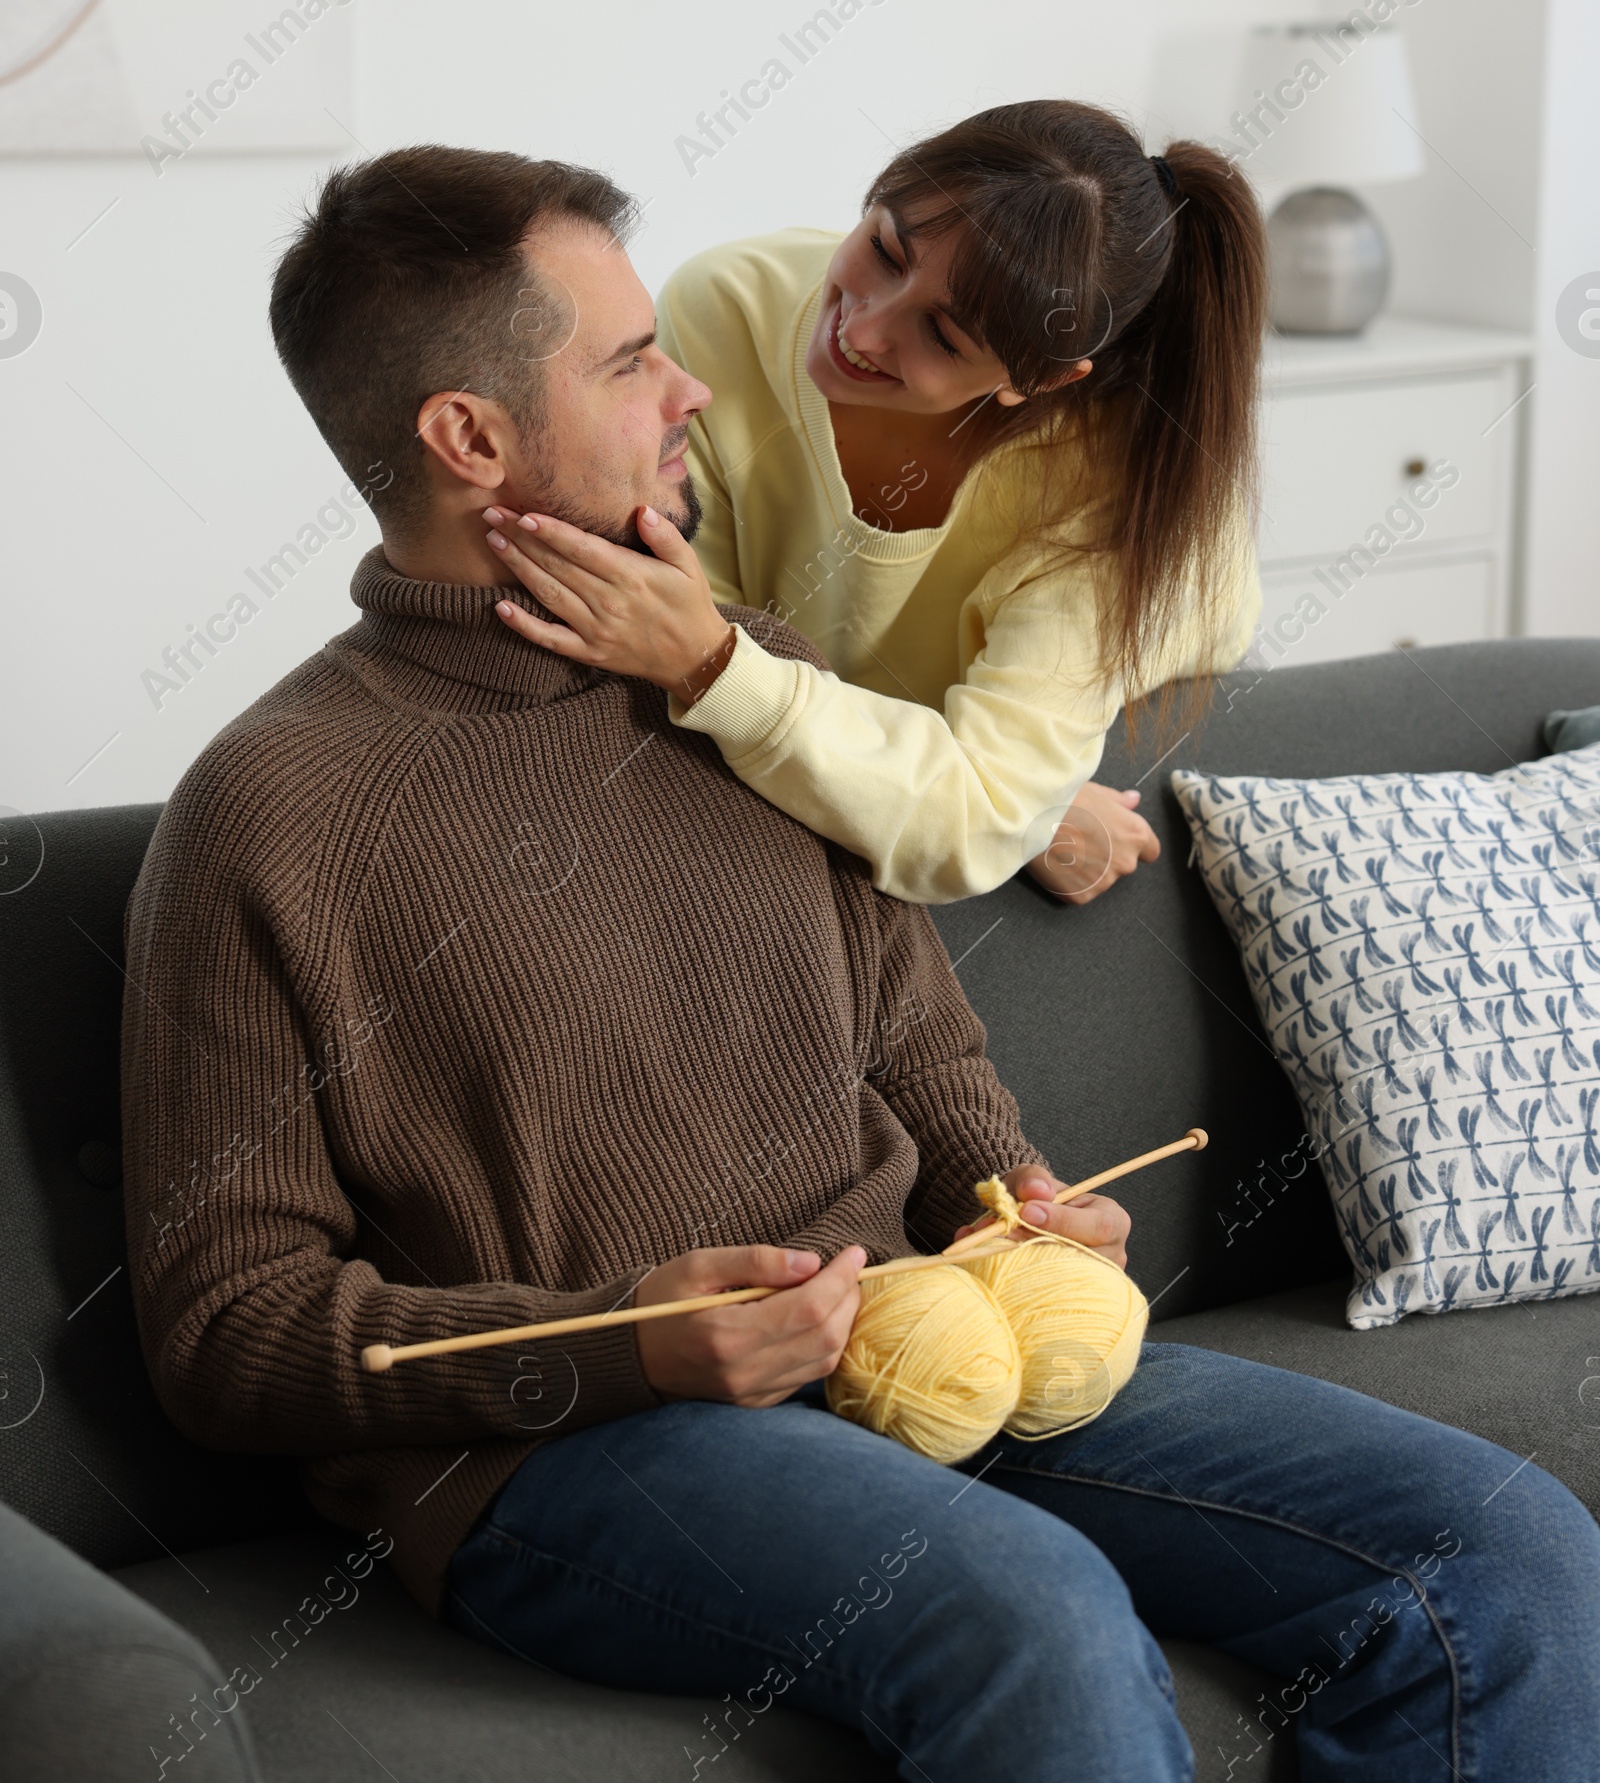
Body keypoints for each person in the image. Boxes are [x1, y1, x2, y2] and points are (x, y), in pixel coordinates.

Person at [122, 145, 1600, 1783]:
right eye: (629, 361)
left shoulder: (750, 678)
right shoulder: (271, 807)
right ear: (468, 437)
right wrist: (624, 1337)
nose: (693, 386)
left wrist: (1015, 1182)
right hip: (565, 1450)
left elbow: (912, 1030)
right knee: (1030, 1612)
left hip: (922, 1331)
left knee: (1505, 1543)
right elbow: (223, 1327)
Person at [477, 101, 1265, 904]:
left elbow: (974, 815)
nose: (866, 325)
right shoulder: (732, 307)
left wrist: (1018, 809)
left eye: (944, 336)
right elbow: (678, 627)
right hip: (889, 705)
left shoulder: (1105, 495)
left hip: (1136, 654)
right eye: (886, 249)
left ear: (1040, 380)